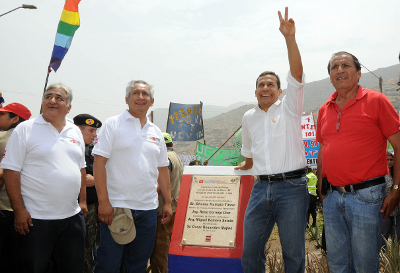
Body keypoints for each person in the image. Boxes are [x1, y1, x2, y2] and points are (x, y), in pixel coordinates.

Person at [235, 7, 308, 273]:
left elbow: (297, 74)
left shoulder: (290, 108)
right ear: (255, 91)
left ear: (279, 90)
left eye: (270, 85)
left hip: (292, 188)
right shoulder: (248, 117)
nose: (265, 88)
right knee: (250, 252)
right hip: (260, 189)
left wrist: (290, 38)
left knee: (293, 254)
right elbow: (249, 152)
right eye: (260, 85)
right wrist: (247, 164)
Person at [316, 51, 400, 272]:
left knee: (365, 264)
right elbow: (322, 148)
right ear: (330, 76)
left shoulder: (377, 101)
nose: (340, 70)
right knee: (338, 264)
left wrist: (397, 189)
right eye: (334, 67)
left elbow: (399, 146)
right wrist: (320, 185)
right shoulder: (325, 109)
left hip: (367, 197)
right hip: (332, 197)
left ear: (359, 72)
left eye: (346, 65)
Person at [1, 83, 88, 273]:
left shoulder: (75, 132)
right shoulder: (25, 129)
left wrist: (83, 201)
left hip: (72, 218)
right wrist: (19, 210)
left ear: (69, 107)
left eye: (59, 98)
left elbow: (81, 168)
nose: (52, 100)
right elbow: (10, 171)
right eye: (48, 96)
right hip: (35, 220)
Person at [93, 80, 172, 273]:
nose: (140, 97)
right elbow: (99, 163)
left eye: (145, 94)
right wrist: (103, 202)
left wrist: (168, 202)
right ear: (127, 99)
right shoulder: (113, 124)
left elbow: (162, 169)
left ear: (152, 101)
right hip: (117, 207)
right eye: (135, 93)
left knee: (137, 265)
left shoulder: (156, 132)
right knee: (109, 265)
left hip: (148, 209)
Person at [0, 103, 31, 272]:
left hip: (4, 206)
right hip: (27, 210)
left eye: (2, 115)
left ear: (15, 119)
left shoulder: (4, 138)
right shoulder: (31, 140)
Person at [148, 132, 183, 273]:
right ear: (171, 144)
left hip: (162, 210)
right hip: (173, 208)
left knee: (160, 250)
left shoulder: (166, 159)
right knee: (167, 247)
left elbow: (161, 185)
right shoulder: (176, 157)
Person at [73, 114, 102, 273]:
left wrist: (95, 180)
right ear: (79, 129)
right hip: (68, 206)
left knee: (88, 246)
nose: (95, 134)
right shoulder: (67, 147)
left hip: (90, 208)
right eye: (91, 130)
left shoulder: (93, 151)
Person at [382, 151, 400, 247]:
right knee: (383, 238)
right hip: (385, 212)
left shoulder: (397, 176)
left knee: (396, 238)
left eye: (391, 160)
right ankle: (381, 260)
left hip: (397, 213)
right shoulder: (381, 177)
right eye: (387, 160)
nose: (389, 162)